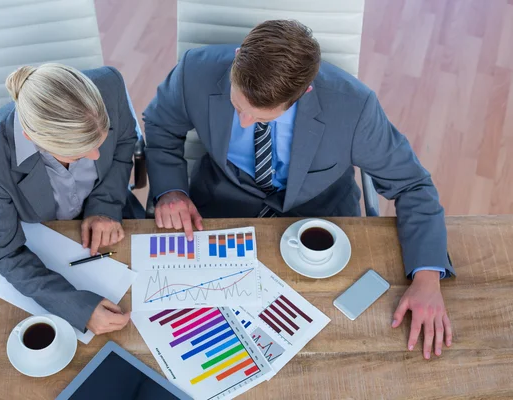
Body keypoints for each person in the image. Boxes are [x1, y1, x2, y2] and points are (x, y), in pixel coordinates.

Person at [143, 20, 455, 359]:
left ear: (303, 92)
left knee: (334, 344)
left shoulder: (354, 108)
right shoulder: (194, 71)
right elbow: (160, 125)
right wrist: (171, 190)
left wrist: (426, 278)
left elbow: (412, 185)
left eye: (261, 118)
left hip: (321, 219)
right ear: (236, 59)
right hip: (220, 209)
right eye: (237, 107)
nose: (244, 122)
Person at [0, 64, 139, 335]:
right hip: (46, 232)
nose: (95, 156)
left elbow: (126, 141)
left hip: (117, 210)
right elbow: (6, 252)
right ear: (32, 139)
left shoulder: (110, 85)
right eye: (78, 153)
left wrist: (104, 204)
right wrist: (77, 307)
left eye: (100, 142)